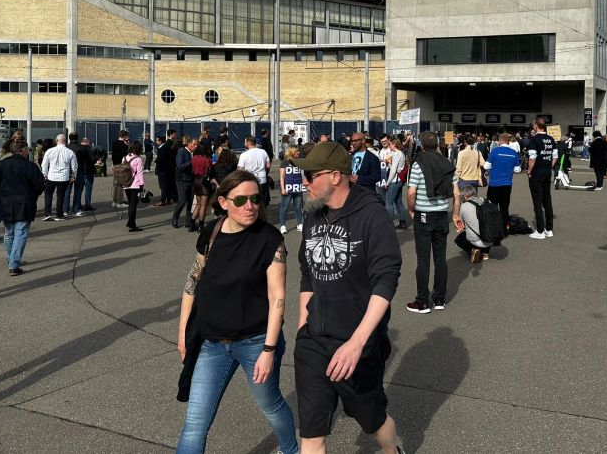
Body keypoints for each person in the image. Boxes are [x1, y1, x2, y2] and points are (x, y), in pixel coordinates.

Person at [293, 142, 404, 454]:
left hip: (359, 342)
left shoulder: (372, 215)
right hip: (315, 341)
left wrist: (356, 342)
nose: (304, 181)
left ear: (335, 177)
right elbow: (307, 272)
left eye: (310, 175)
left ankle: (391, 450)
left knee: (372, 420)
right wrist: (304, 327)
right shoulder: (314, 213)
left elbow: (386, 279)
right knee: (312, 434)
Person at [176, 171, 298, 454]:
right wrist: (183, 331)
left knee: (270, 405)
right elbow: (192, 281)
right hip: (212, 343)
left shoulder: (269, 239)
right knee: (195, 423)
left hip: (256, 342)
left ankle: (291, 449)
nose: (250, 206)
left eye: (255, 198)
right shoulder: (212, 232)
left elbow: (277, 297)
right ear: (223, 202)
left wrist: (269, 350)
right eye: (241, 199)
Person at [406, 131, 463, 313]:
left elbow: (411, 192)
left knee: (423, 260)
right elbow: (456, 194)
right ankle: (439, 299)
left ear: (421, 145)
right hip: (441, 215)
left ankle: (422, 301)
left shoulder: (418, 164)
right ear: (437, 144)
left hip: (423, 214)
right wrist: (455, 215)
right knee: (440, 259)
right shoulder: (448, 164)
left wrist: (411, 209)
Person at [0, 141, 45, 275]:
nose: (28, 152)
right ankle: (14, 263)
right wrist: (33, 195)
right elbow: (40, 184)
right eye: (27, 150)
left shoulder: (0, 165)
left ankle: (11, 259)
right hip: (24, 202)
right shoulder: (30, 166)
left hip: (4, 202)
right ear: (23, 150)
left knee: (9, 232)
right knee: (20, 232)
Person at [484, 133, 521, 233]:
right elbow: (518, 170)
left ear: (500, 141)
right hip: (507, 184)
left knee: (493, 207)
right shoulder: (513, 152)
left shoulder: (495, 151)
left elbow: (486, 166)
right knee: (504, 207)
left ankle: (493, 230)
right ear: (508, 140)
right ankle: (504, 229)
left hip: (494, 184)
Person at [526, 119, 556, 239]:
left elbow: (532, 158)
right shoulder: (551, 139)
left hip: (537, 172)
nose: (533, 126)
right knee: (547, 200)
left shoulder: (534, 140)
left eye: (534, 124)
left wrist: (529, 171)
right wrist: (548, 166)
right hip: (547, 171)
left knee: (537, 201)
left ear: (537, 126)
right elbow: (555, 156)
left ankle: (540, 231)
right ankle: (549, 229)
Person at [41, 134, 78, 221]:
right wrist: (73, 176)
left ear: (56, 141)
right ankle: (59, 214)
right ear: (65, 141)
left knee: (48, 194)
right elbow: (74, 166)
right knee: (61, 196)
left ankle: (47, 213)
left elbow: (44, 164)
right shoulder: (70, 152)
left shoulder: (49, 151)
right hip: (64, 177)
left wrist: (45, 175)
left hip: (51, 176)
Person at [456, 186, 492, 263]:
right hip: (492, 238)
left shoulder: (463, 206)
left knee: (459, 239)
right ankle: (485, 253)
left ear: (465, 196)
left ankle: (472, 251)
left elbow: (461, 224)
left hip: (476, 240)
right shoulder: (487, 201)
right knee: (486, 228)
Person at [237, 136, 272, 207]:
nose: (244, 143)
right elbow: (268, 165)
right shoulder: (263, 152)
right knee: (261, 199)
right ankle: (262, 213)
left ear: (248, 143)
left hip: (249, 180)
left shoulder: (244, 155)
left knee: (251, 199)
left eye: (245, 142)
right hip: (262, 179)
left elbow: (240, 169)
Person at [64, 132, 92, 217]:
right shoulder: (82, 148)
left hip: (67, 172)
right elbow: (89, 159)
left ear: (69, 138)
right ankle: (76, 209)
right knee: (78, 191)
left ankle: (65, 210)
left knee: (67, 191)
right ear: (77, 138)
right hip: (79, 171)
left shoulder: (66, 148)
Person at [173, 138, 198, 230]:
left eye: (196, 145)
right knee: (182, 200)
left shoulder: (193, 153)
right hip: (182, 180)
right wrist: (191, 162)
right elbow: (180, 166)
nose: (196, 146)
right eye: (194, 144)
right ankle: (175, 217)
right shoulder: (182, 152)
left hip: (191, 180)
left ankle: (188, 221)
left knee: (191, 201)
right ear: (189, 144)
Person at [279, 146, 304, 234]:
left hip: (297, 187)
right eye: (297, 152)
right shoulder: (285, 162)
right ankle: (282, 225)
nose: (298, 153)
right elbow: (282, 177)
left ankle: (300, 224)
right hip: (288, 188)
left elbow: (302, 174)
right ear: (292, 152)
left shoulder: (299, 162)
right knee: (284, 207)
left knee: (298, 206)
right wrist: (283, 188)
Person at [384, 136, 408, 229]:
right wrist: (390, 162)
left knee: (389, 202)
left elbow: (393, 170)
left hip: (395, 180)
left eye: (390, 143)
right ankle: (402, 221)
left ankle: (388, 224)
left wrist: (387, 182)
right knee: (398, 201)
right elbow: (394, 167)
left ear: (394, 144)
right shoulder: (398, 153)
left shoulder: (397, 154)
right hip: (398, 180)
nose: (389, 145)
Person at [122, 141, 146, 233]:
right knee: (133, 205)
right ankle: (132, 224)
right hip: (135, 184)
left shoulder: (124, 158)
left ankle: (131, 223)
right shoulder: (138, 159)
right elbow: (140, 173)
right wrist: (142, 184)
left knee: (130, 204)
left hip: (126, 183)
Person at [190, 148, 213, 233]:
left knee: (198, 204)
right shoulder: (207, 160)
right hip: (204, 182)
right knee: (203, 205)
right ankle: (201, 225)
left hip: (196, 181)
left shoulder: (194, 158)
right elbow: (211, 169)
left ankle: (192, 223)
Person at [111, 130, 130, 208]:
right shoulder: (123, 145)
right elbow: (126, 155)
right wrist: (127, 145)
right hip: (122, 166)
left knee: (116, 184)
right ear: (125, 136)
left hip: (115, 165)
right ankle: (119, 201)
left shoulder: (114, 143)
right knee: (121, 184)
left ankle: (114, 201)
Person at [78, 138, 96, 211]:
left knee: (79, 189)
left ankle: (78, 204)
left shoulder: (78, 149)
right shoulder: (89, 150)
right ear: (88, 142)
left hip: (79, 171)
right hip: (88, 171)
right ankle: (87, 204)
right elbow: (93, 159)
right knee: (88, 189)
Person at [154, 136, 171, 206]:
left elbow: (161, 158)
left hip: (162, 169)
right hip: (166, 169)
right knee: (166, 185)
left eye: (157, 141)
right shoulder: (166, 147)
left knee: (163, 186)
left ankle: (162, 200)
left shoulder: (162, 148)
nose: (156, 142)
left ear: (160, 141)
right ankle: (168, 199)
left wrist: (155, 160)